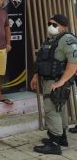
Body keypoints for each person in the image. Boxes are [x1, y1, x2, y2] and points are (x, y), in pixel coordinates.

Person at [30, 14, 77, 155]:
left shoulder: (68, 39)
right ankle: (61, 137)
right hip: (50, 80)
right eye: (49, 23)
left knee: (51, 110)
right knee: (59, 108)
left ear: (64, 26)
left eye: (55, 24)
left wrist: (61, 81)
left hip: (57, 81)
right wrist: (35, 75)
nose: (51, 26)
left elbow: (74, 63)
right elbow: (44, 59)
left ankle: (54, 144)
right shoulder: (52, 39)